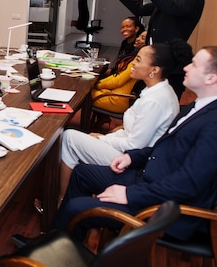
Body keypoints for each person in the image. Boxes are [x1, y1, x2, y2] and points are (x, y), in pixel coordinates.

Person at [15, 46, 217, 246]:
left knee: (78, 207)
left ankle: (58, 250)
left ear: (211, 79)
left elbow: (188, 184)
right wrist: (132, 158)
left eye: (194, 65)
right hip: (150, 178)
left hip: (164, 207)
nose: (186, 68)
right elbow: (164, 148)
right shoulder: (202, 107)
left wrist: (129, 193)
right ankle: (58, 241)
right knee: (82, 174)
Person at [59, 40, 193, 200]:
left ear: (154, 70)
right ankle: (70, 194)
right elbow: (131, 132)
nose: (133, 64)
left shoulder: (154, 101)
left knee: (68, 138)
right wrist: (105, 138)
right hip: (134, 152)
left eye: (138, 60)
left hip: (134, 162)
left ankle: (60, 199)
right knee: (76, 139)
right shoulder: (158, 90)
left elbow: (135, 145)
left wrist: (102, 139)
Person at [91, 30, 147, 115]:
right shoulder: (135, 57)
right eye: (139, 36)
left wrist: (97, 84)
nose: (137, 39)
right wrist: (98, 83)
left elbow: (117, 81)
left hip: (117, 99)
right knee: (90, 89)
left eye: (142, 38)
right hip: (115, 94)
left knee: (85, 95)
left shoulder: (137, 62)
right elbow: (116, 76)